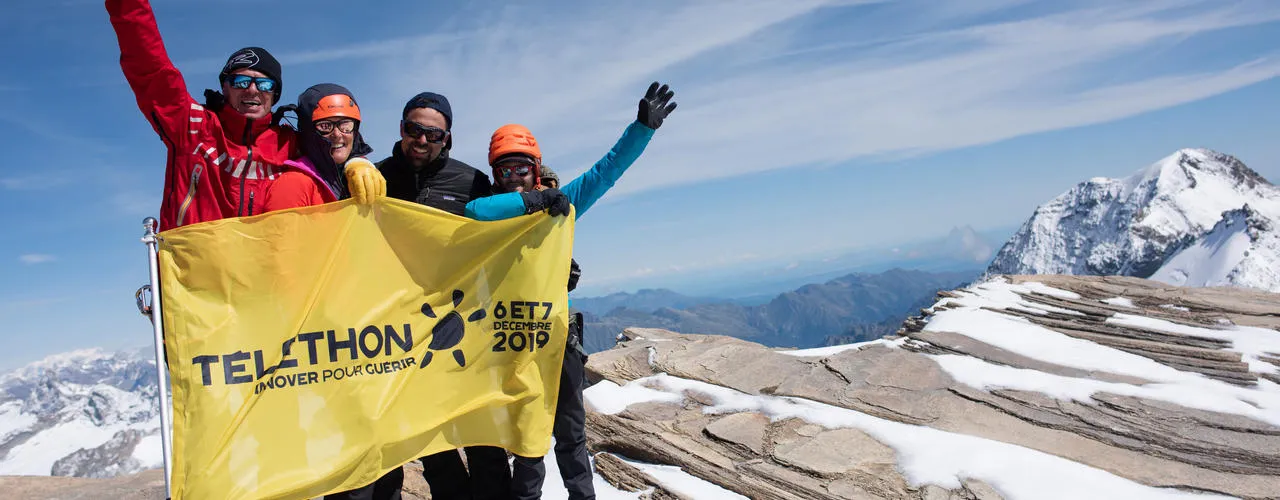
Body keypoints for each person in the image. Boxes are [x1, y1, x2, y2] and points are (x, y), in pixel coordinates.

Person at [470, 82, 678, 500]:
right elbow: (474, 210)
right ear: (494, 175)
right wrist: (536, 200)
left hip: (557, 339)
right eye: (504, 171)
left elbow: (607, 171)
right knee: (528, 443)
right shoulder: (491, 212)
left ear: (535, 166)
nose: (513, 179)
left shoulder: (561, 204)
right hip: (507, 342)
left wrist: (641, 129)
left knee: (570, 432)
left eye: (521, 169)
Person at [106, 0, 297, 230]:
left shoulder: (291, 145)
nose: (252, 89)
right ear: (225, 88)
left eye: (264, 84)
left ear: (275, 94)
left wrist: (355, 158)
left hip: (268, 263)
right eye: (241, 81)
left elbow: (337, 144)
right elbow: (150, 66)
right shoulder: (193, 127)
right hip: (193, 265)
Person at [260, 83, 385, 212]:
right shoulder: (293, 184)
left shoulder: (363, 176)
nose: (337, 134)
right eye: (325, 126)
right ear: (308, 131)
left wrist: (359, 162)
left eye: (345, 124)